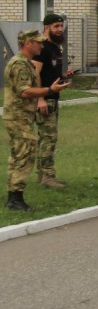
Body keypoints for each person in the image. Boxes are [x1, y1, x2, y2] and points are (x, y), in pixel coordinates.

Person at [4, 29, 69, 211]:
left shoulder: (26, 63)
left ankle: (14, 196)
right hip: (17, 117)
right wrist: (49, 91)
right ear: (27, 43)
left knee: (20, 154)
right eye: (38, 42)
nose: (41, 45)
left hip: (23, 116)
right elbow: (24, 91)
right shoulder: (19, 64)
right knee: (25, 152)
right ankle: (15, 198)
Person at [31, 13, 74, 189]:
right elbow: (35, 74)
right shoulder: (41, 48)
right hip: (44, 99)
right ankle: (48, 176)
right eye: (55, 26)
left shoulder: (56, 48)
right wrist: (40, 98)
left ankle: (42, 175)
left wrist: (63, 76)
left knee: (47, 138)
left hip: (53, 98)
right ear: (46, 26)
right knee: (48, 138)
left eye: (60, 26)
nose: (59, 29)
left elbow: (50, 72)